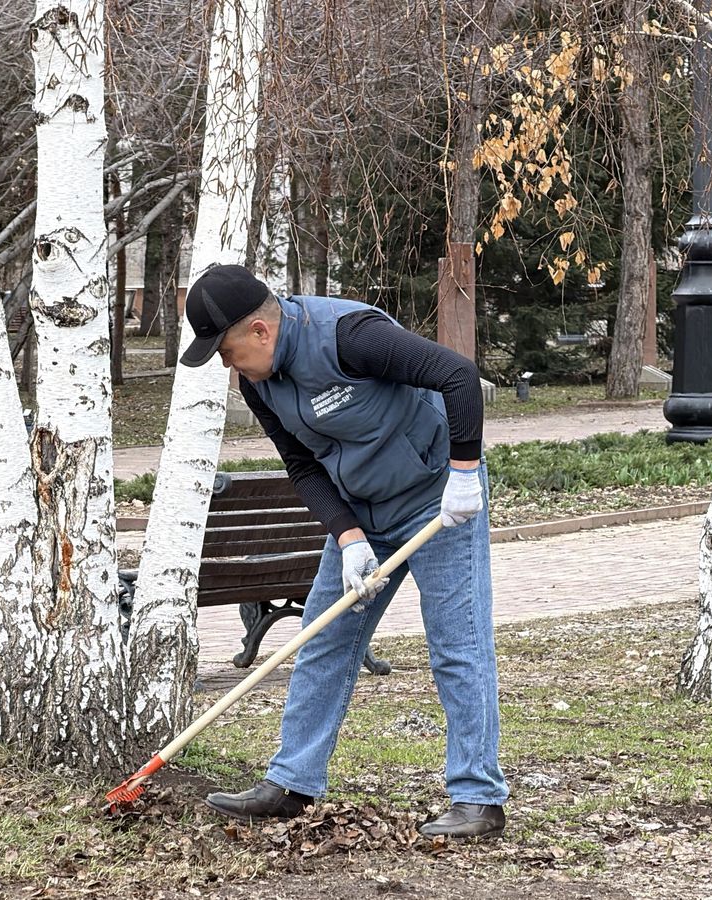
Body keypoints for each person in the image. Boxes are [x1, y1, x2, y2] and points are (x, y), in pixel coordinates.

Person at [179, 264, 508, 839]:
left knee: (459, 646)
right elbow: (302, 466)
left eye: (228, 352)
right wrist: (348, 535)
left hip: (438, 500)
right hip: (362, 514)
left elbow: (457, 377)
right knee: (322, 640)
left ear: (260, 330)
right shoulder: (260, 383)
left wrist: (462, 473)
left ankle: (479, 799)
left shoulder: (349, 334)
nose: (228, 367)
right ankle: (292, 784)